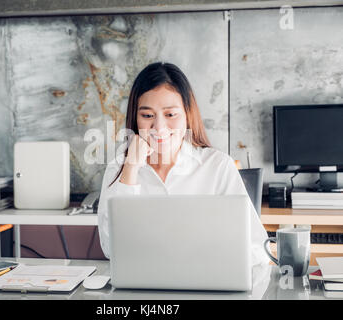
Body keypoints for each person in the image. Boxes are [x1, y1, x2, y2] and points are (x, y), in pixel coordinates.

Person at [97, 62, 270, 266]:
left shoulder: (218, 166)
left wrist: (209, 258)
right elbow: (111, 249)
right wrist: (131, 168)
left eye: (170, 115)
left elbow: (258, 249)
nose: (158, 127)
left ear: (188, 115)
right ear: (135, 119)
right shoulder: (119, 169)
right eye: (147, 116)